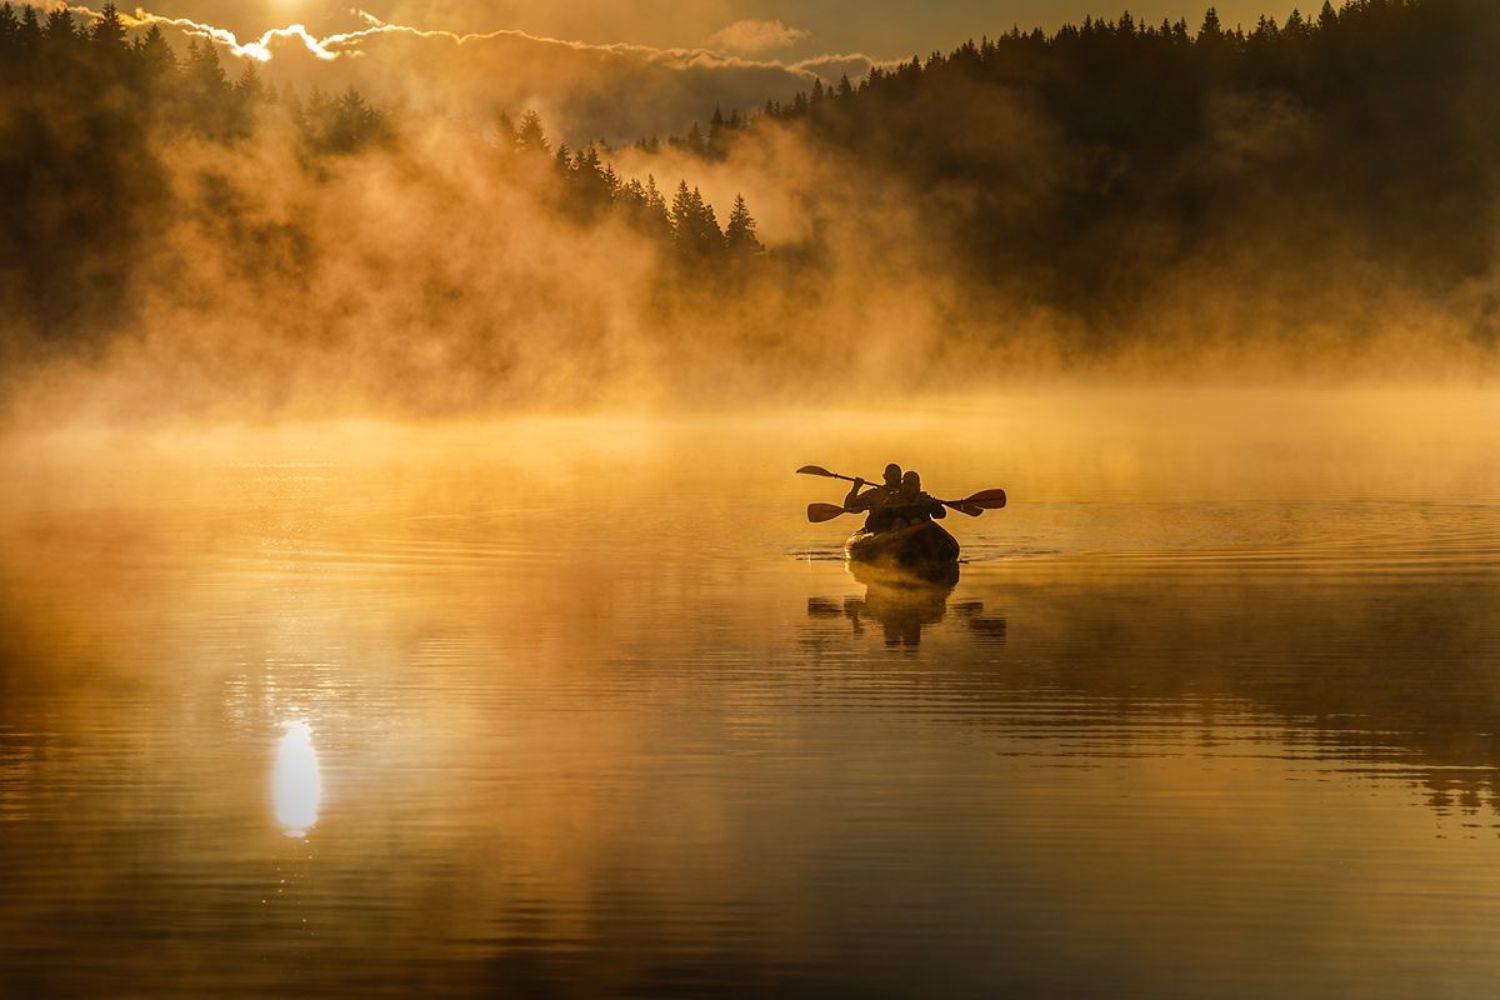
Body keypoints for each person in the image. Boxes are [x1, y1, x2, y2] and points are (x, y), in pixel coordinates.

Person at [845, 463, 903, 533]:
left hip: (901, 525)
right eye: (893, 476)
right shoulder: (875, 494)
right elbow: (849, 507)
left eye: (898, 476)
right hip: (880, 528)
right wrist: (855, 488)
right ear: (885, 477)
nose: (896, 478)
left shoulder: (908, 492)